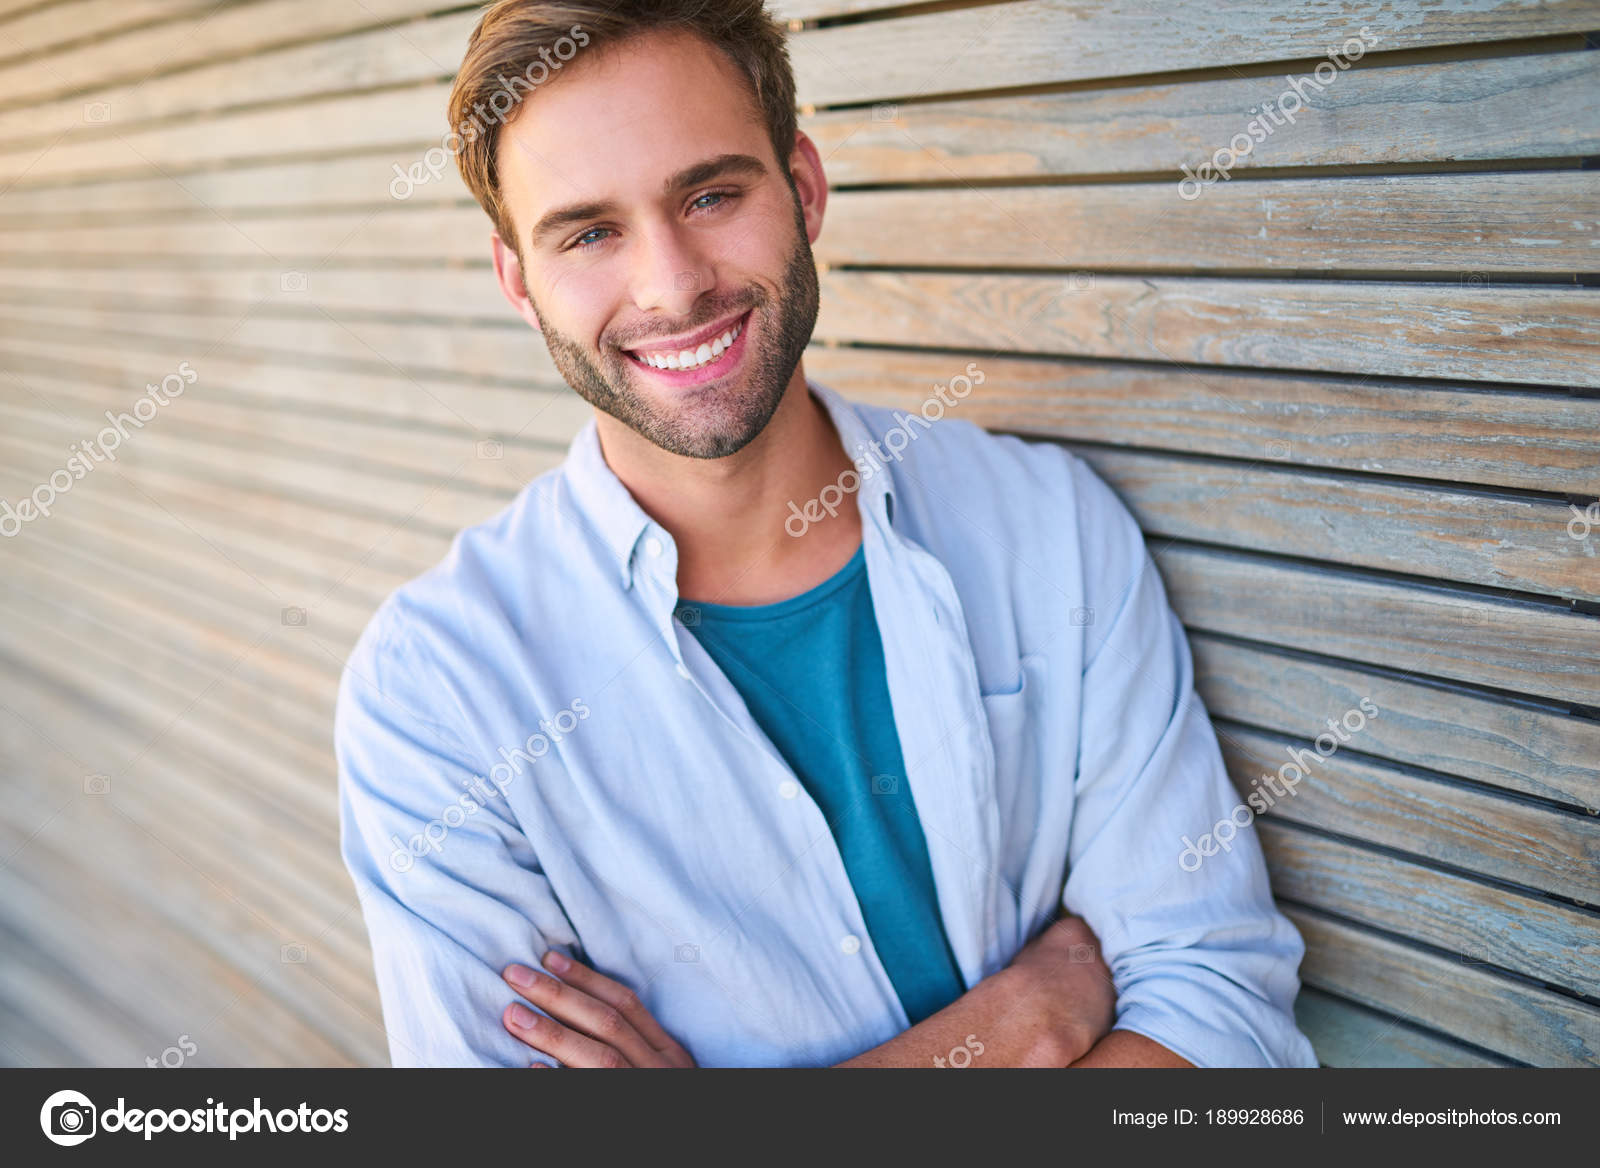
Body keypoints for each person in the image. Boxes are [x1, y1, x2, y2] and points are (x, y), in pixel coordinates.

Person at [335, 0, 1317, 1069]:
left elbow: (1220, 1011)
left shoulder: (1047, 526)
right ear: (519, 281)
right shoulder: (438, 691)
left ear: (802, 187)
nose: (671, 284)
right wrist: (1026, 1018)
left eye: (710, 194)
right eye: (589, 232)